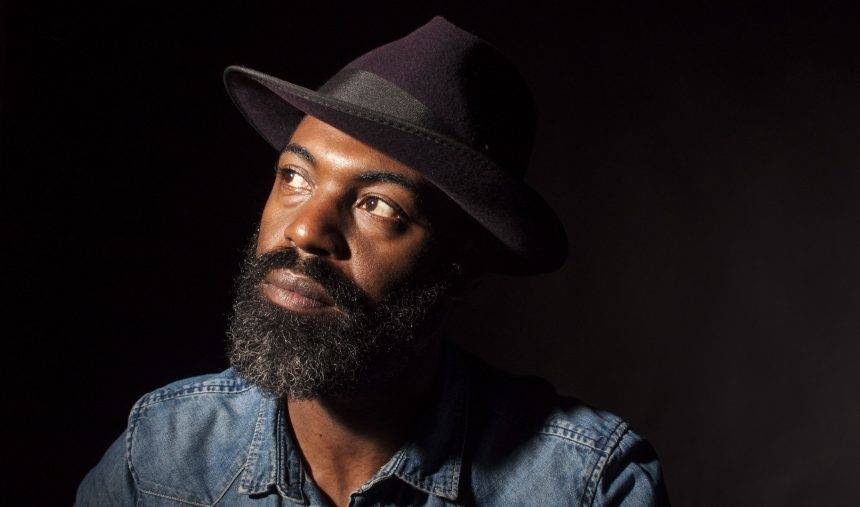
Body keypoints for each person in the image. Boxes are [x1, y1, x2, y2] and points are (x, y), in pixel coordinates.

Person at [76, 16, 669, 506]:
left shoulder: (586, 485)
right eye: (295, 176)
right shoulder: (163, 454)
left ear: (461, 264)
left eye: (378, 205)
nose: (305, 230)